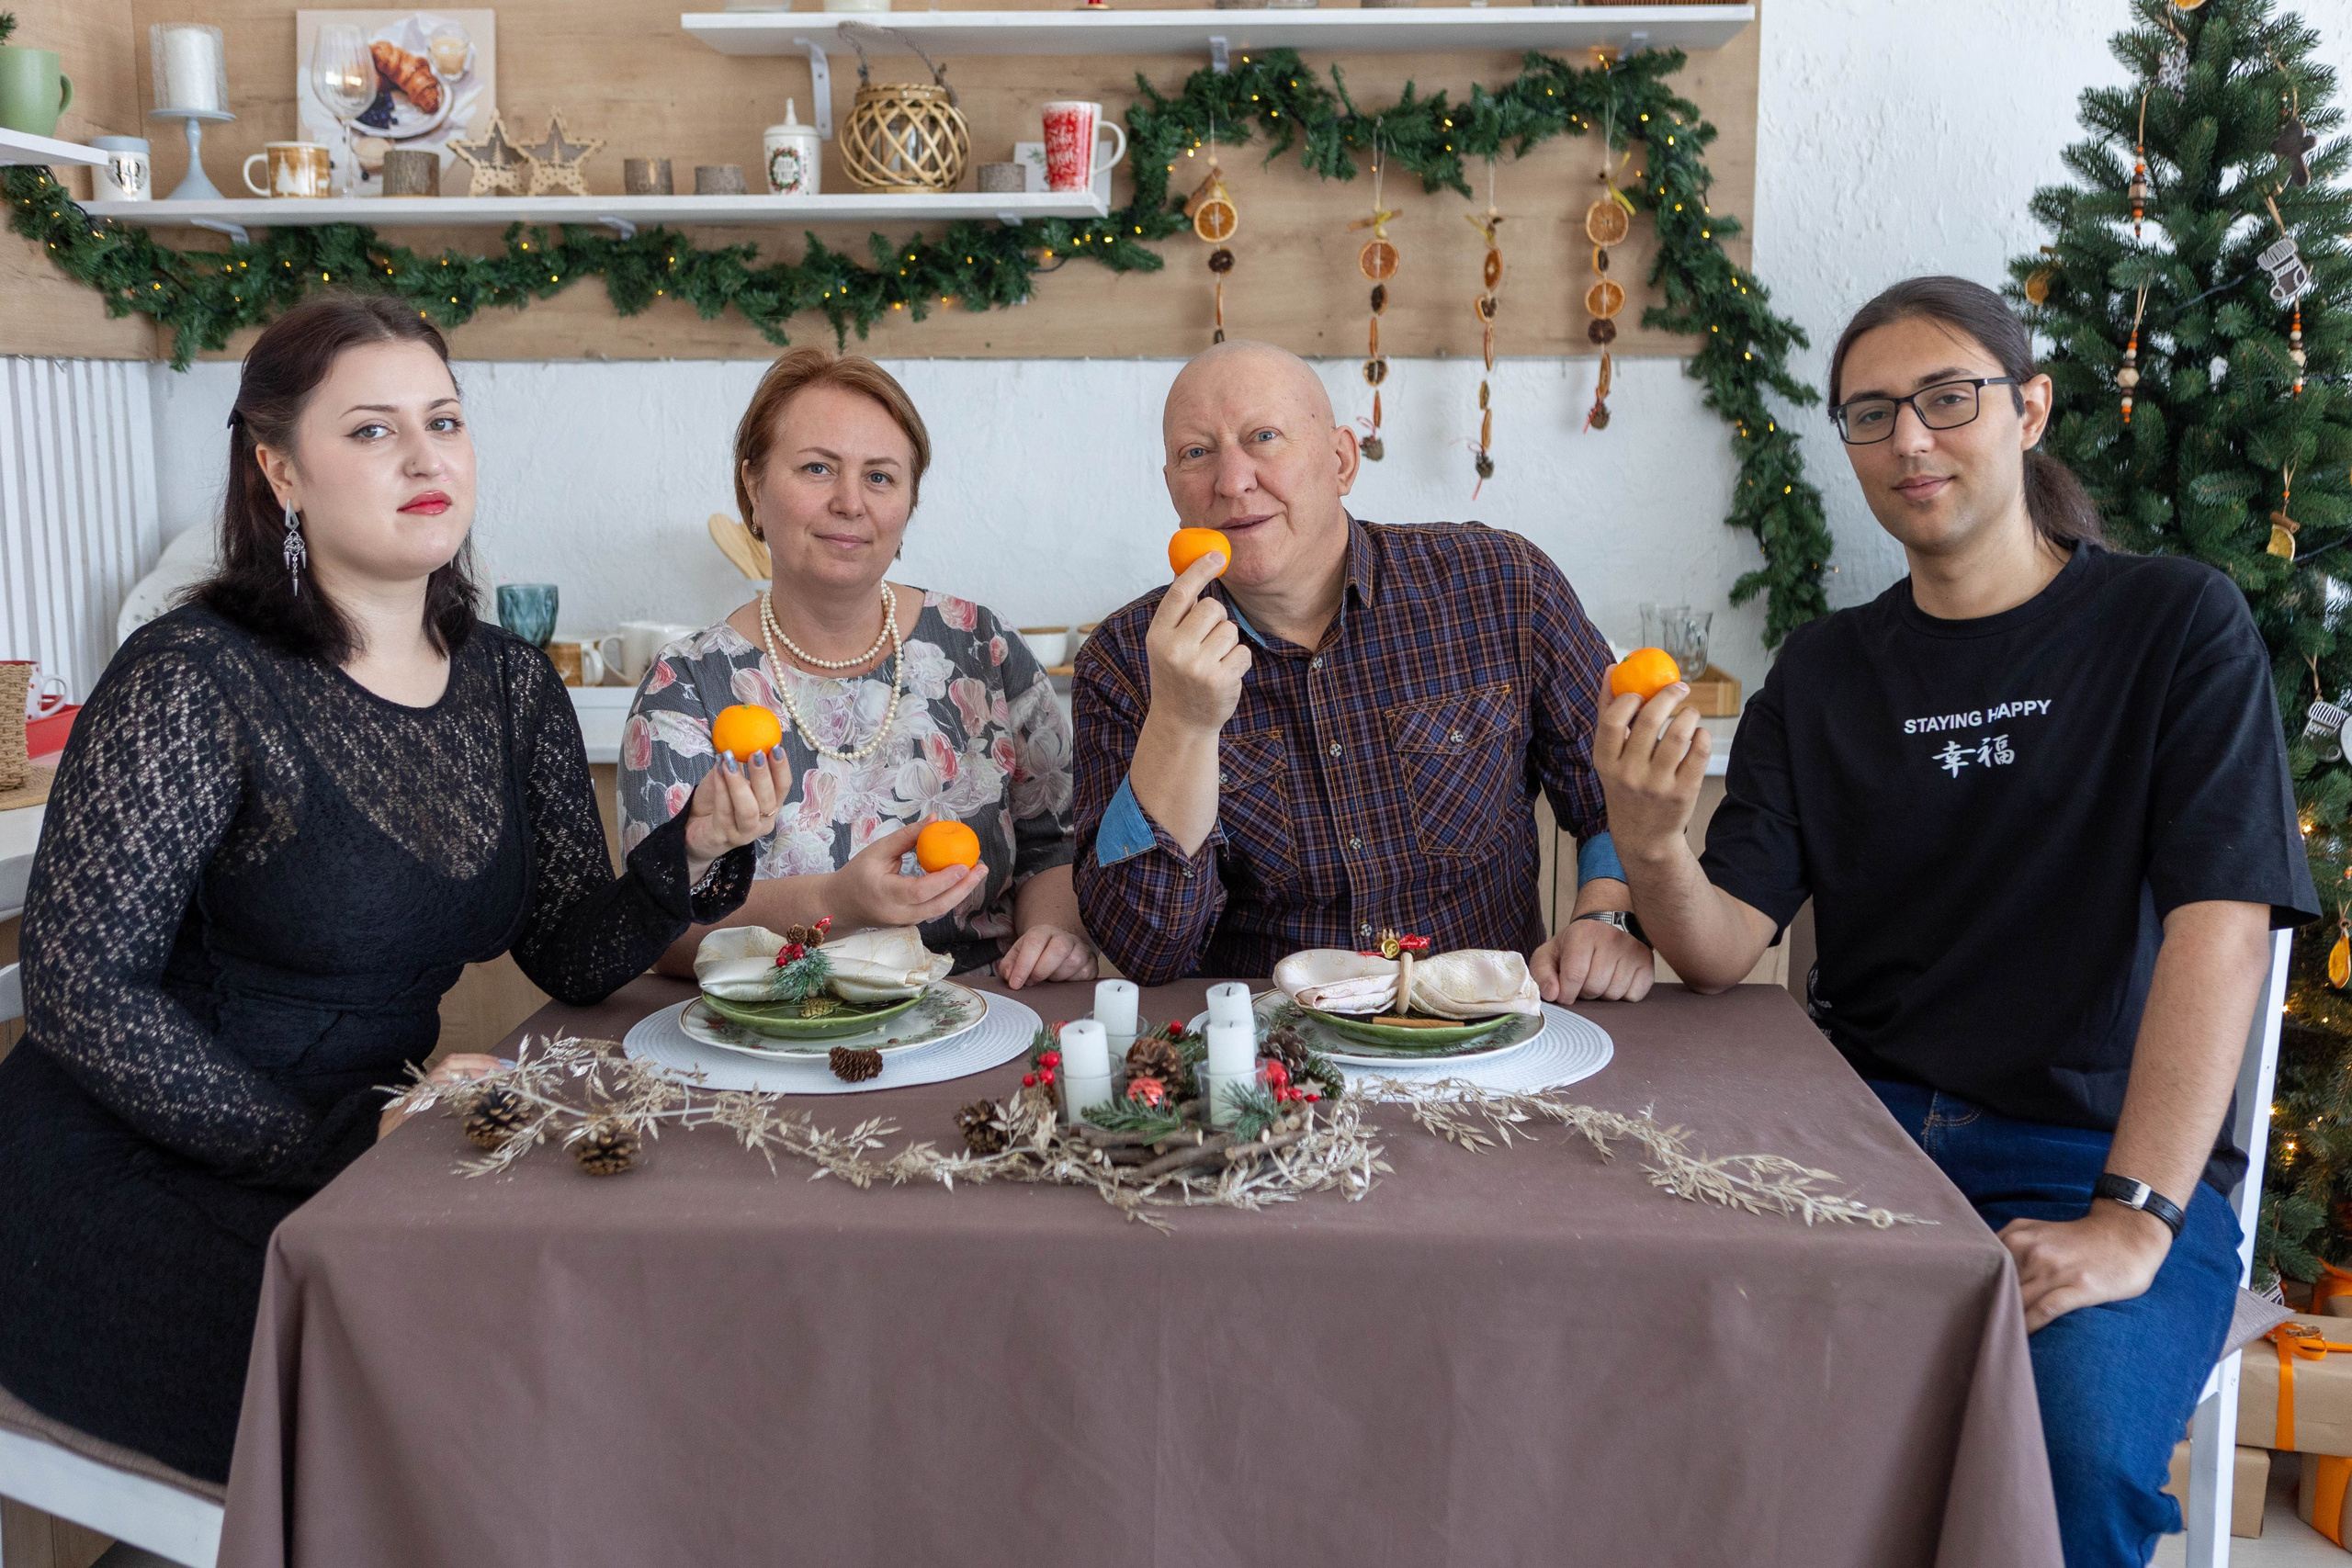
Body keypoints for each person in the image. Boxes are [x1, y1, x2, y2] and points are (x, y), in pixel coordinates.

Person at [1595, 276, 2317, 1566]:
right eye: (1871, 414)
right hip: (1855, 1142)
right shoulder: (1822, 672)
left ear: (2028, 410)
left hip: (2097, 1154)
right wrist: (1650, 842)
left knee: (2070, 1457)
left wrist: (2133, 1216)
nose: (1910, 439)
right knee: (1687, 1400)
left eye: (1947, 398)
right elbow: (1717, 946)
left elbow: (2223, 923)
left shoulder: (2171, 623)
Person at [0, 295, 778, 1483]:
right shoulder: (194, 675)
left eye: (444, 420)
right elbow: (79, 991)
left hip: (380, 1146)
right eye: (372, 429)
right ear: (279, 471)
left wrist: (695, 847)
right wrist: (338, 1138)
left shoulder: (508, 682)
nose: (426, 457)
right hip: (138, 1175)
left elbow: (570, 951)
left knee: (611, 1314)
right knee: (462, 1395)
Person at [1070, 339, 1652, 993]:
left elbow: (1619, 798)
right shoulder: (1122, 663)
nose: (1231, 482)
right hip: (1271, 1045)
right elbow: (1148, 950)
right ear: (1173, 487)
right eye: (1196, 453)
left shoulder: (1504, 585)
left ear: (1341, 461)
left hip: (1486, 1028)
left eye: (1264, 437)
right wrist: (1181, 723)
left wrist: (1607, 913)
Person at [622, 347, 1091, 987]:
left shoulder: (984, 648)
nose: (850, 502)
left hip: (984, 1011)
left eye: (880, 477)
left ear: (908, 502)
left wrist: (1050, 934)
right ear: (753, 487)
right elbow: (662, 929)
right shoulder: (686, 686)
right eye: (817, 468)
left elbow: (1054, 843)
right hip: (775, 1025)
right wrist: (835, 902)